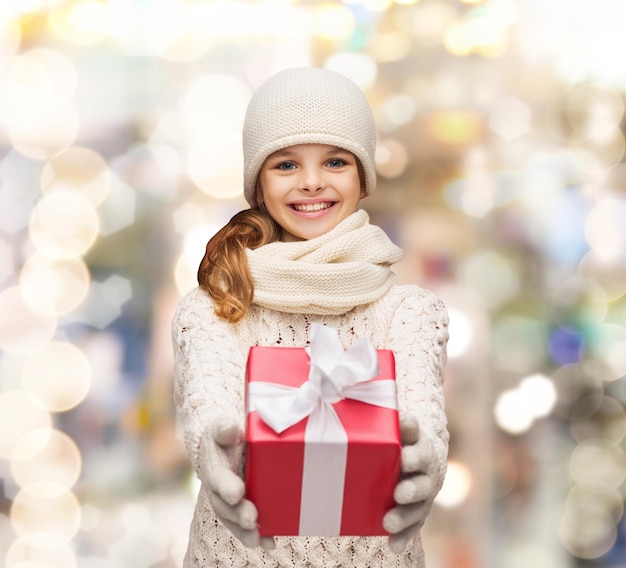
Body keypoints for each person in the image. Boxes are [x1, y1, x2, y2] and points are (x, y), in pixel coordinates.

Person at [171, 66, 449, 568]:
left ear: (363, 176)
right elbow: (207, 401)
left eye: (336, 161)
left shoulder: (410, 311)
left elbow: (421, 416)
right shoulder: (213, 306)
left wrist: (426, 460)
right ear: (257, 181)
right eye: (286, 165)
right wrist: (213, 447)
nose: (313, 182)